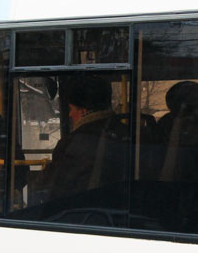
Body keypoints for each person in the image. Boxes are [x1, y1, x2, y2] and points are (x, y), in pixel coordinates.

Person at [34, 75, 129, 204]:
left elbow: (49, 185)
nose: (70, 114)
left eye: (72, 109)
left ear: (84, 110)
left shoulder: (73, 143)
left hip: (83, 213)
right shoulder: (129, 134)